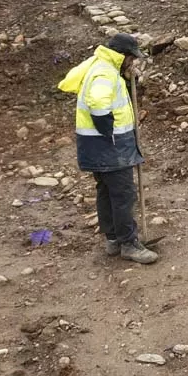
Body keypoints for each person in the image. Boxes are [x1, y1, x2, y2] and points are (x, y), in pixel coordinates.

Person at [57, 33, 158, 263]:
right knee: (123, 194)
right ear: (122, 56)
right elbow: (98, 101)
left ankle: (113, 239)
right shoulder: (105, 73)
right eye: (131, 58)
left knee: (106, 191)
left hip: (94, 146)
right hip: (109, 146)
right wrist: (108, 130)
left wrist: (125, 77)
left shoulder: (100, 64)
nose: (132, 62)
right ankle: (129, 244)